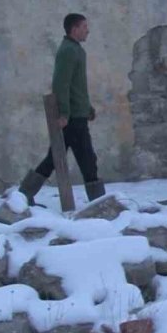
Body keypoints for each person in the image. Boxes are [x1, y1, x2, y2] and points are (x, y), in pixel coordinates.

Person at [17, 13, 105, 205]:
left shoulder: (75, 50)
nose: (87, 30)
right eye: (84, 27)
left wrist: (86, 107)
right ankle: (100, 203)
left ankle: (23, 195)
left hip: (77, 114)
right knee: (87, 160)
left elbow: (76, 86)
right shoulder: (68, 51)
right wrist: (64, 113)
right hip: (72, 118)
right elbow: (61, 84)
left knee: (55, 159)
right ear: (74, 29)